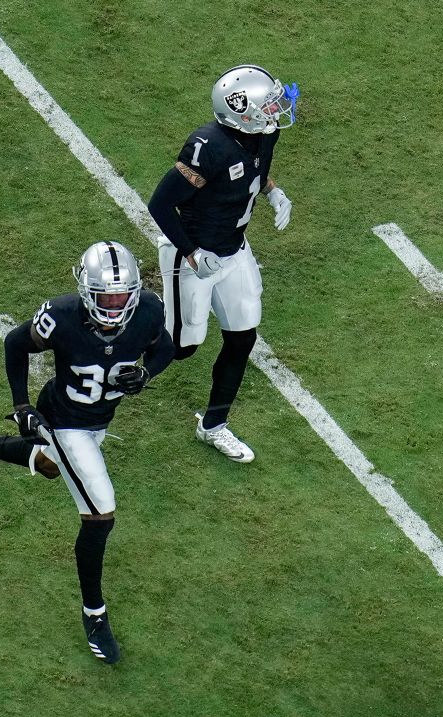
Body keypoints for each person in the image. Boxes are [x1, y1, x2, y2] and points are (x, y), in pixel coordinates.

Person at [0, 240, 174, 665]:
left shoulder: (147, 309)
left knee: (51, 467)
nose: (114, 303)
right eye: (106, 294)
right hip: (66, 420)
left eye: (122, 294)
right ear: (87, 290)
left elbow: (164, 348)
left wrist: (146, 374)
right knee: (100, 512)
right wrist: (21, 407)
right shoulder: (62, 316)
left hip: (96, 420)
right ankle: (95, 615)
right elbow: (16, 343)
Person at [146, 64, 298, 464]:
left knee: (242, 338)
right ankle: (111, 359)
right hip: (191, 253)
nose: (277, 110)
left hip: (234, 249)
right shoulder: (207, 146)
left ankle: (213, 426)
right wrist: (193, 253)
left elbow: (254, 173)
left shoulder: (266, 134)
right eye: (268, 105)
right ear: (240, 110)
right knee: (180, 347)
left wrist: (274, 193)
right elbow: (161, 204)